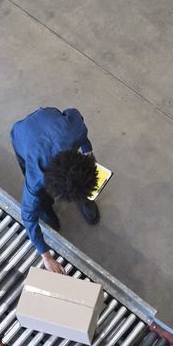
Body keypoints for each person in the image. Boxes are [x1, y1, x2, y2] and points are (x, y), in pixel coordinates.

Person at [10, 107, 102, 271]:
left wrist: (89, 152)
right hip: (22, 135)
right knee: (40, 199)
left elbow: (74, 114)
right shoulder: (36, 177)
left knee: (78, 183)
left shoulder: (75, 131)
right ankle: (46, 206)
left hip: (49, 119)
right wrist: (46, 256)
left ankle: (80, 197)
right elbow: (28, 216)